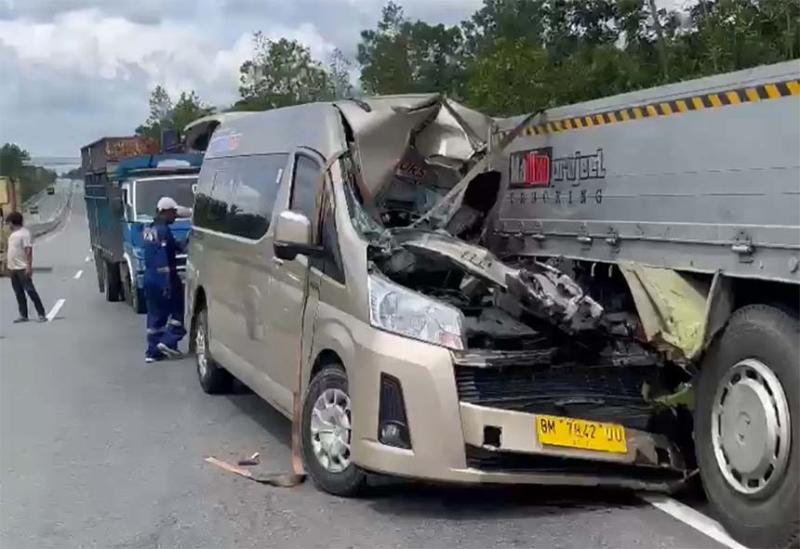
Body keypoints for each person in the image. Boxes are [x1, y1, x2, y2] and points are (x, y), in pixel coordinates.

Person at [142, 197, 189, 363]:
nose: (175, 216)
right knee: (178, 314)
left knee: (155, 318)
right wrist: (168, 284)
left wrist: (186, 242)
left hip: (149, 279)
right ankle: (167, 342)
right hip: (164, 279)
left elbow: (175, 246)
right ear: (165, 212)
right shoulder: (163, 231)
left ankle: (152, 352)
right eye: (173, 212)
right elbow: (163, 258)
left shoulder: (149, 229)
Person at [5, 211, 47, 323]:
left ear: (14, 222)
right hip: (13, 268)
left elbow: (28, 250)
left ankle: (41, 313)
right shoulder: (13, 234)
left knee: (30, 291)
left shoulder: (24, 233)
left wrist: (29, 266)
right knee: (18, 293)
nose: (8, 225)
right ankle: (23, 314)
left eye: (9, 223)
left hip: (22, 268)